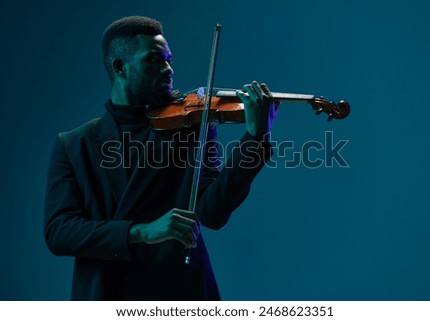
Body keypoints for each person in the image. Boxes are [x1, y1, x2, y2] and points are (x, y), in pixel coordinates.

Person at [44, 16, 277, 300]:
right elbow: (59, 231)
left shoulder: (193, 126)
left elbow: (212, 213)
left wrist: (254, 138)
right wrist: (140, 232)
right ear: (120, 67)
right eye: (154, 60)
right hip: (107, 293)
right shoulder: (73, 144)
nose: (168, 69)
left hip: (180, 290)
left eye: (169, 60)